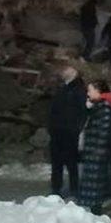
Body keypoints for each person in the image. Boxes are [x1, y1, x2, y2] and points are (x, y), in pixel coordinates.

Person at [78, 80, 111, 215]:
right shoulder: (99, 106)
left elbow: (104, 131)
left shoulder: (104, 107)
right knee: (100, 184)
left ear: (98, 91)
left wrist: (98, 152)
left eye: (90, 90)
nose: (88, 93)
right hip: (97, 152)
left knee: (98, 184)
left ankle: (97, 210)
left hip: (99, 153)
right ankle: (97, 208)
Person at [47, 66, 87, 198]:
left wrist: (76, 128)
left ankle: (73, 188)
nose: (62, 73)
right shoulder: (63, 88)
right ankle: (56, 187)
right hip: (58, 130)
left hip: (69, 131)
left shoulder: (78, 89)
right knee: (57, 162)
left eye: (66, 71)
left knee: (70, 162)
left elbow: (82, 111)